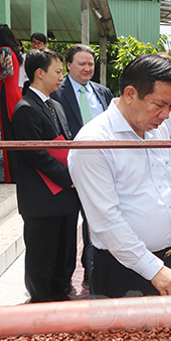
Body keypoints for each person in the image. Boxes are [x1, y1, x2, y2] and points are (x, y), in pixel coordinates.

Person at [68, 54, 171, 298]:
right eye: (159, 105)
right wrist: (154, 270)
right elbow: (106, 222)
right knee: (125, 337)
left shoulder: (158, 127)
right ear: (131, 94)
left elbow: (167, 186)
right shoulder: (93, 142)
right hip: (124, 270)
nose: (166, 115)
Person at [11, 49, 79, 302]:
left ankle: (61, 294)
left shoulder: (56, 105)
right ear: (40, 73)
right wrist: (69, 176)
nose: (62, 76)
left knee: (64, 252)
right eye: (58, 71)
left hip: (64, 195)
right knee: (42, 255)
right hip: (41, 197)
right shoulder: (25, 108)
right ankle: (41, 303)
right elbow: (36, 154)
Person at [51, 44, 114, 291]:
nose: (87, 68)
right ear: (68, 65)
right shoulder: (56, 92)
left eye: (90, 64)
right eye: (81, 64)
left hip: (100, 168)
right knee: (68, 225)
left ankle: (93, 269)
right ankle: (65, 278)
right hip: (68, 169)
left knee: (98, 220)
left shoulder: (103, 92)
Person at [0, 24, 23, 182]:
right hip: (13, 93)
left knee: (6, 133)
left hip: (5, 93)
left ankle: (8, 174)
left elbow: (7, 71)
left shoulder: (4, 49)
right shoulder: (13, 51)